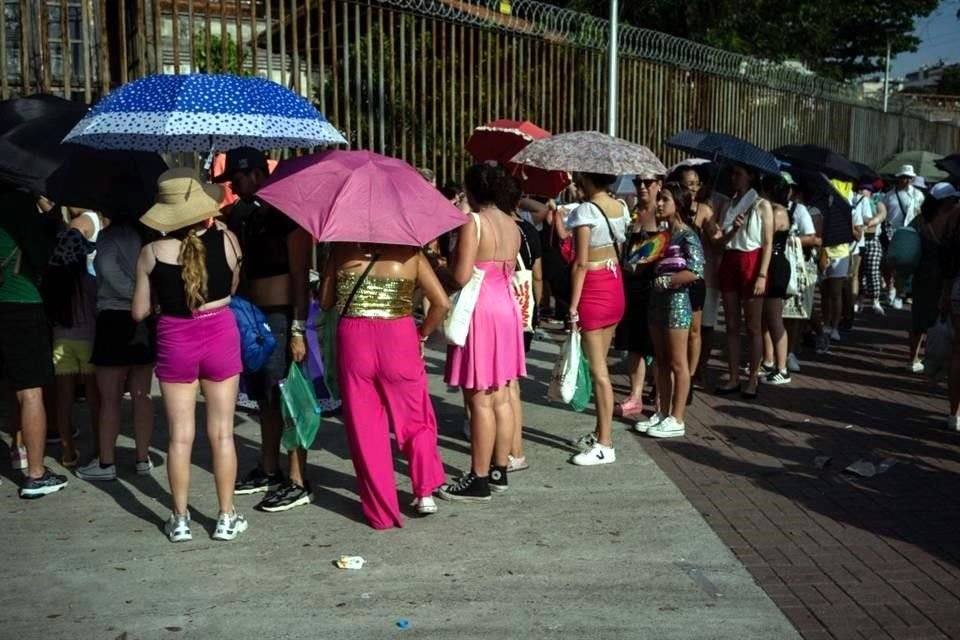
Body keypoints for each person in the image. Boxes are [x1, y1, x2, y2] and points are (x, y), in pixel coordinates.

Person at [132, 168, 246, 542]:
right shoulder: (229, 240)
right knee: (222, 434)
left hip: (175, 337)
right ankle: (226, 517)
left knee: (180, 437)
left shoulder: (151, 252)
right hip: (220, 332)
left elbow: (139, 312)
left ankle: (179, 520)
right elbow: (231, 285)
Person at [320, 240, 448, 527]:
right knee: (415, 418)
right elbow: (441, 303)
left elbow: (326, 301)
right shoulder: (410, 255)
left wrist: (332, 265)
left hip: (354, 338)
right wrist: (421, 334)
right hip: (399, 336)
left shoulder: (341, 251)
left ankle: (381, 513)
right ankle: (424, 491)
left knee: (365, 429)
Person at [217, 148, 313, 512]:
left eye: (237, 180)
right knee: (264, 398)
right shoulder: (244, 214)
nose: (234, 187)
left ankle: (298, 478)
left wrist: (299, 328)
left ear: (257, 173)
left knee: (290, 398)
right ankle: (270, 468)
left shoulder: (290, 214)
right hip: (253, 315)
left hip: (283, 317)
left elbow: (300, 276)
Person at [439, 164, 526, 501]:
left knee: (479, 400)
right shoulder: (512, 225)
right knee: (502, 395)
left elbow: (461, 276)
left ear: (472, 190)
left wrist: (438, 267)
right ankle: (498, 470)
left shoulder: (473, 223)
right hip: (506, 307)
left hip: (481, 310)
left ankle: (477, 477)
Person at [0, 183, 67, 498]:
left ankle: (17, 451)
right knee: (30, 392)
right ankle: (36, 473)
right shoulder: (17, 203)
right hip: (20, 302)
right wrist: (50, 217)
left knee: (10, 387)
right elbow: (42, 256)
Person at [76, 220, 156, 481]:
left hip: (113, 317)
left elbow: (107, 269)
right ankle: (143, 458)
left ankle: (106, 462)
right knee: (142, 394)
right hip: (143, 319)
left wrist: (133, 295)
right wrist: (145, 299)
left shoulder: (110, 236)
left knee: (109, 398)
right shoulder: (148, 235)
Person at [566, 172, 628, 465]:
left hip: (593, 288)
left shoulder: (585, 211)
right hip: (614, 283)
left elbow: (579, 262)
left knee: (600, 374)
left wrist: (573, 306)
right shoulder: (620, 207)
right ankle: (600, 431)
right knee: (599, 366)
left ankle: (606, 444)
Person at [634, 182, 704, 438]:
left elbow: (696, 270)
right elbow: (640, 263)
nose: (660, 203)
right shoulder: (662, 236)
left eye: (665, 199)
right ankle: (662, 412)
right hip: (657, 301)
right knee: (661, 361)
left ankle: (677, 417)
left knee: (677, 362)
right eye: (660, 199)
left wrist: (670, 280)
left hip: (676, 303)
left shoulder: (688, 235)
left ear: (679, 204)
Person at [43, 207, 105, 468]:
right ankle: (100, 448)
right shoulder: (91, 282)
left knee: (64, 396)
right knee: (94, 397)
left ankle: (68, 450)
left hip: (61, 339)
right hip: (89, 339)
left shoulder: (56, 283)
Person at [716, 164, 773, 399]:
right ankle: (733, 377)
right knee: (731, 324)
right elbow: (721, 239)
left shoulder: (761, 205)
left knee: (753, 326)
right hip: (731, 258)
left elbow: (767, 242)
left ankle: (753, 378)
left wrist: (761, 274)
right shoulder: (730, 205)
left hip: (752, 260)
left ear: (750, 176)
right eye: (733, 173)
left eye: (738, 173)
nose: (734, 178)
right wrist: (733, 229)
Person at [500, 174, 543, 472]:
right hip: (525, 309)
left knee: (506, 385)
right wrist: (535, 308)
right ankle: (514, 447)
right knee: (513, 380)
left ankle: (513, 450)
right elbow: (537, 275)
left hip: (501, 308)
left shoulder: (495, 229)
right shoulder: (528, 229)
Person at [613, 172, 661, 419]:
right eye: (638, 182)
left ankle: (661, 396)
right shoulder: (633, 213)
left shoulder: (663, 214)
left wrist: (637, 260)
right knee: (634, 343)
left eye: (648, 182)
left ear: (658, 185)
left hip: (654, 286)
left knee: (657, 344)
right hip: (631, 283)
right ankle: (635, 394)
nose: (642, 187)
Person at [909, 184, 960, 373]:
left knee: (920, 317)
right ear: (945, 200)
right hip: (945, 275)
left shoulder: (922, 220)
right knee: (942, 317)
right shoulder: (952, 220)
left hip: (923, 273)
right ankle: (937, 359)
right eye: (953, 199)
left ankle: (914, 357)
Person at [758, 175, 793, 385]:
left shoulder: (778, 211)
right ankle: (768, 361)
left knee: (774, 318)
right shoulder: (769, 208)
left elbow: (765, 236)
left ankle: (782, 368)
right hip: (768, 263)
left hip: (777, 265)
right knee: (764, 319)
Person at [884, 165, 925, 309]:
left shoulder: (918, 195)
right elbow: (884, 214)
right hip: (892, 233)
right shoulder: (889, 196)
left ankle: (899, 293)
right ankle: (891, 288)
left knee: (905, 265)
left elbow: (922, 214)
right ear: (899, 178)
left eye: (909, 177)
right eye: (904, 177)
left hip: (910, 233)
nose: (906, 180)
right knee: (889, 264)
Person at [857, 183, 887, 316]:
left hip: (872, 240)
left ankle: (875, 300)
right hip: (857, 241)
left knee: (872, 270)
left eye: (865, 190)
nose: (862, 192)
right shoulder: (855, 202)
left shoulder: (877, 204)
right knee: (858, 273)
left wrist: (868, 222)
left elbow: (881, 216)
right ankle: (859, 300)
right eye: (860, 189)